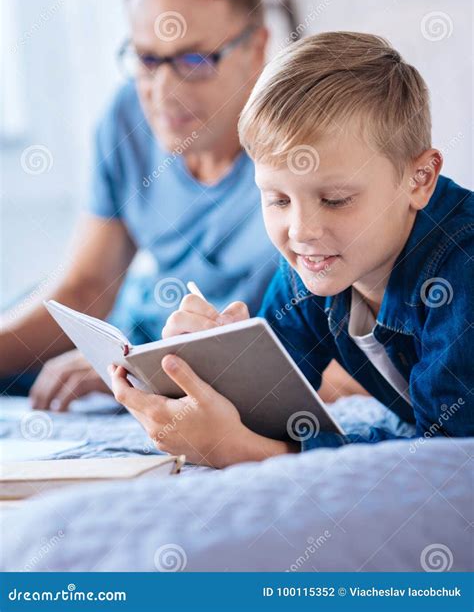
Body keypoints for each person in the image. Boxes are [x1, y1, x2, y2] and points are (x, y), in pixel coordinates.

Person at [109, 31, 474, 467]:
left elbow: (452, 458)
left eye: (336, 199)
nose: (302, 231)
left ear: (420, 180)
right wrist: (214, 368)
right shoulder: (314, 269)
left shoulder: (461, 269)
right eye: (278, 200)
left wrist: (245, 452)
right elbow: (273, 411)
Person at [1, 0, 278, 408]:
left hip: (183, 363)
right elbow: (87, 288)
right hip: (124, 342)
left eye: (195, 59)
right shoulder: (125, 118)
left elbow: (318, 351)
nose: (163, 91)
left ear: (256, 50)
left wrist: (149, 366)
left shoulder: (298, 152)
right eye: (148, 60)